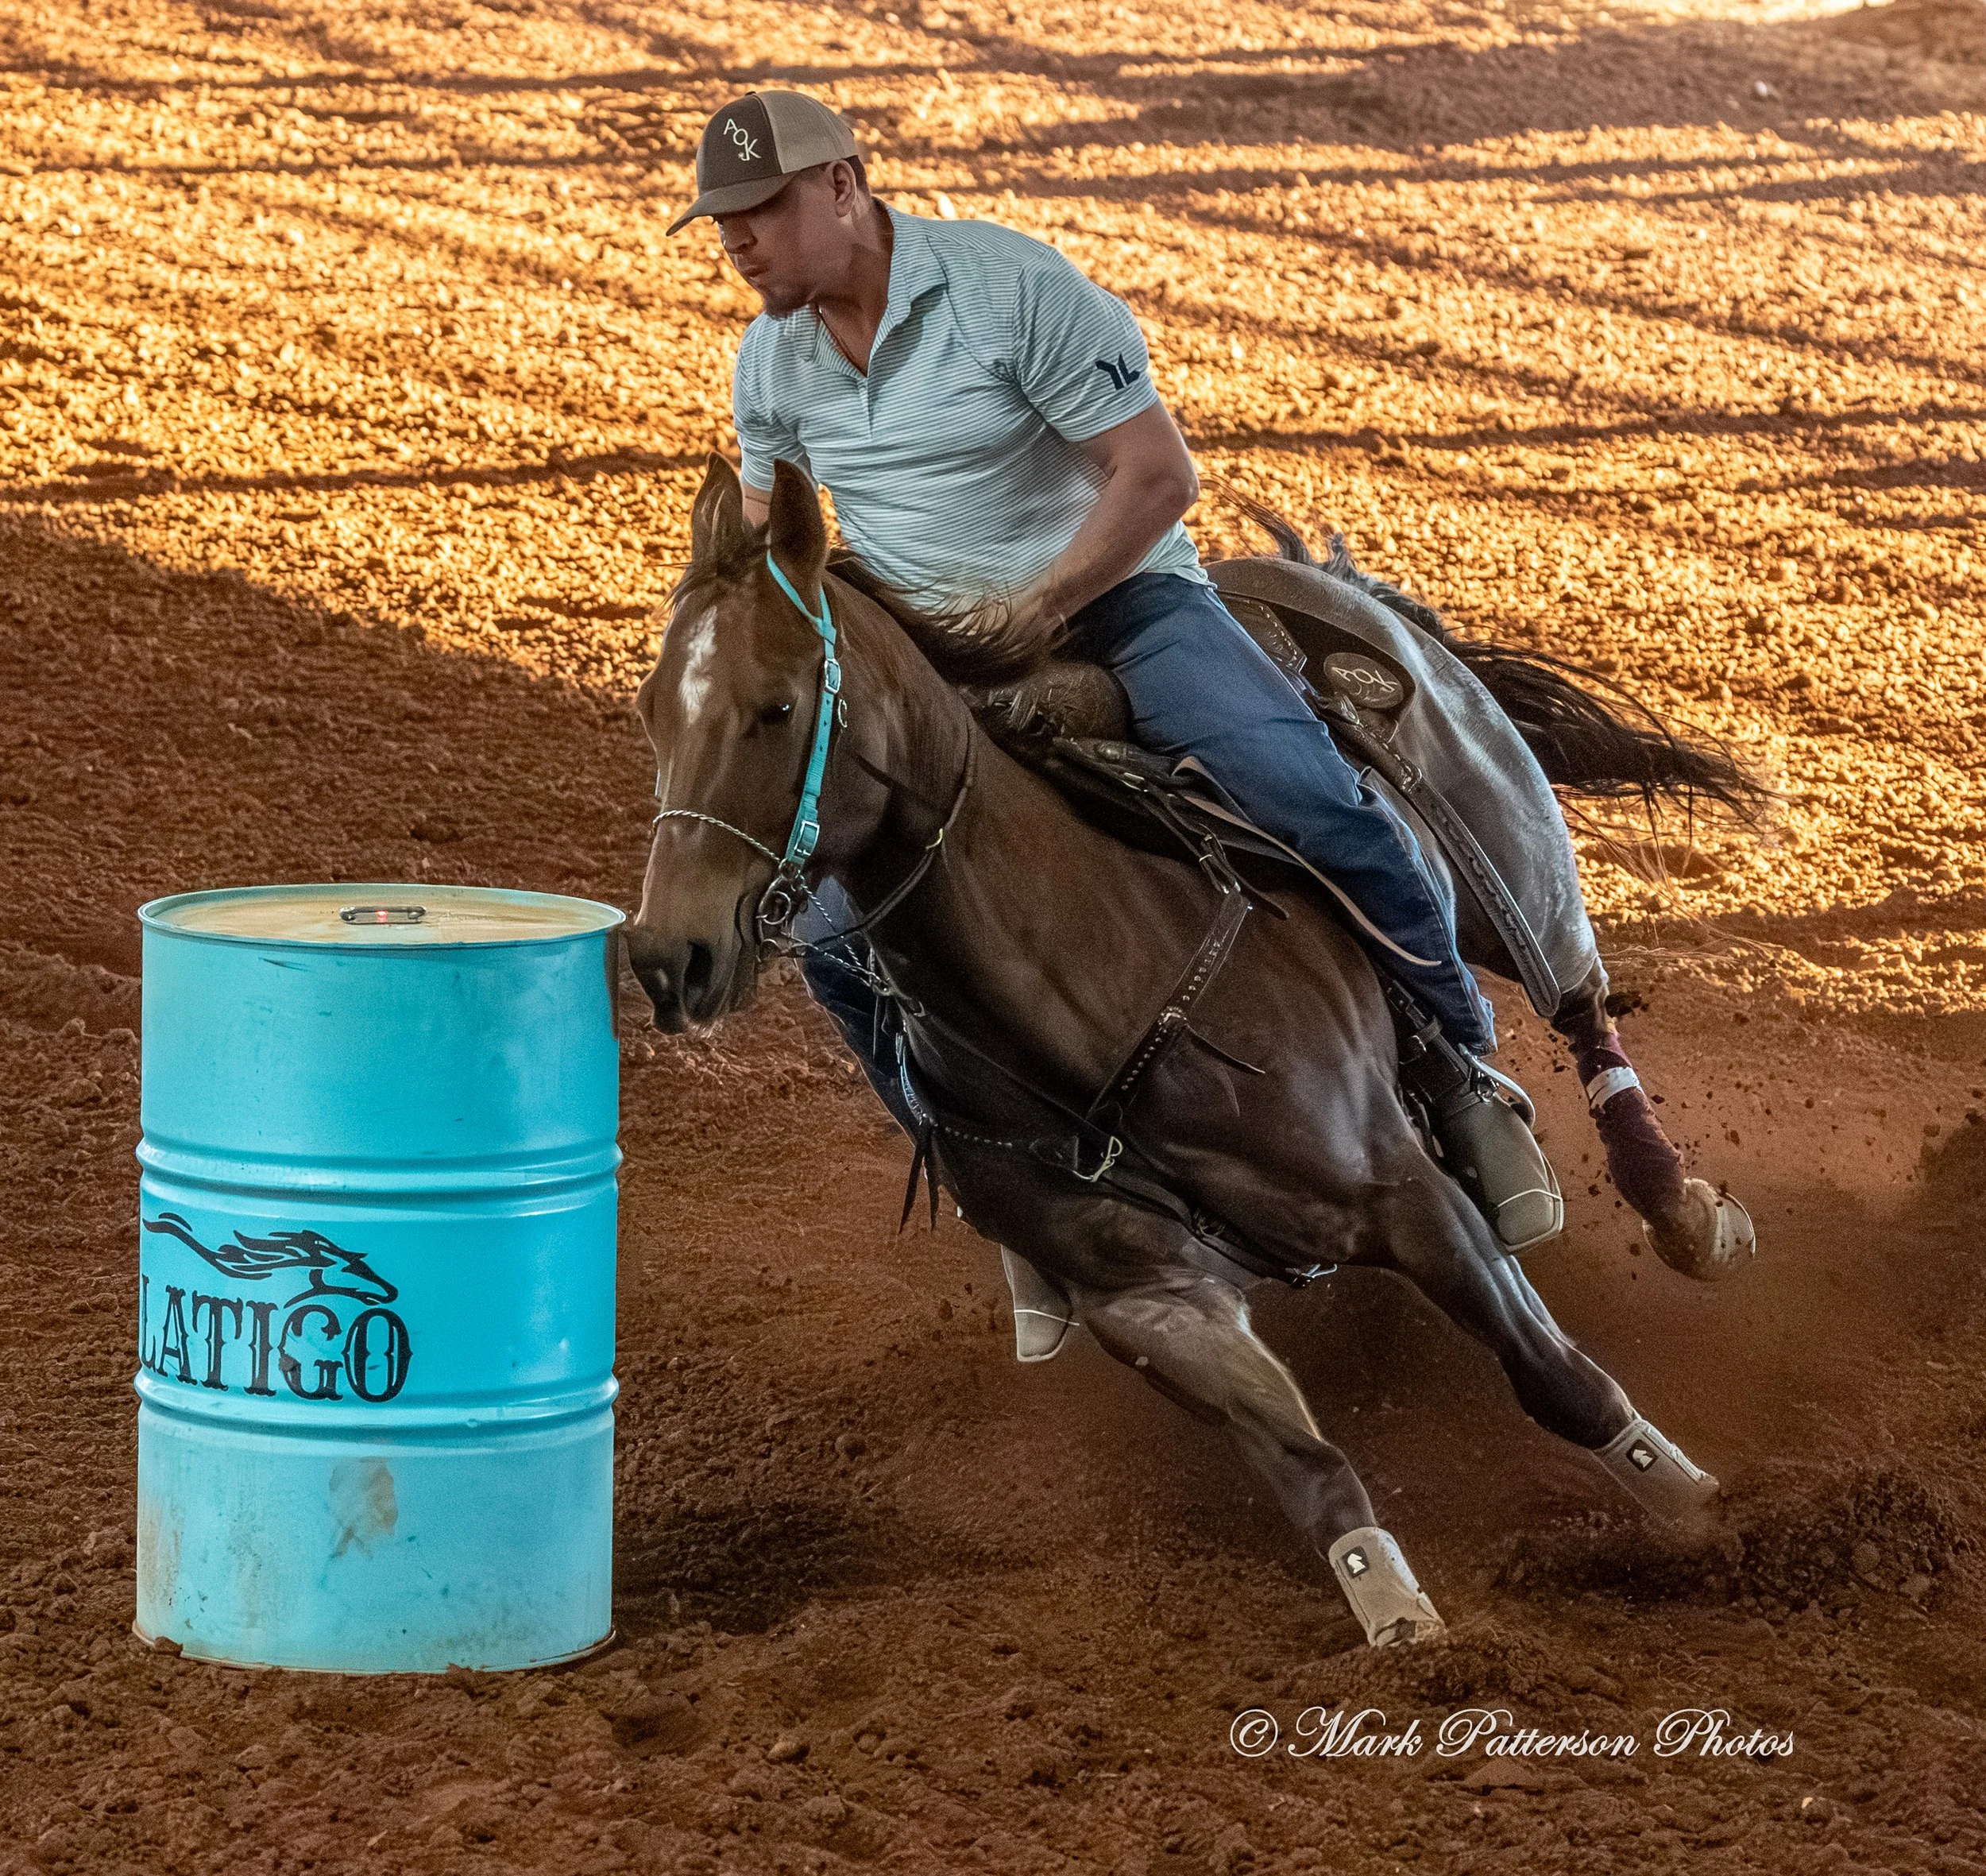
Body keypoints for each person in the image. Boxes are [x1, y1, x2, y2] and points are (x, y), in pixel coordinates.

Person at [667, 91, 1544, 1260]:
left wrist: (1041, 608)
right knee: (836, 944)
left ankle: (1461, 1069)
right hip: (938, 666)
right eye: (721, 219)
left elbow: (1155, 476)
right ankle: (1020, 1199)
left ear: (844, 185)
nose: (736, 238)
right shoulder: (769, 364)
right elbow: (780, 556)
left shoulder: (1010, 292)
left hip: (1126, 611)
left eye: (758, 208)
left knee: (1310, 799)